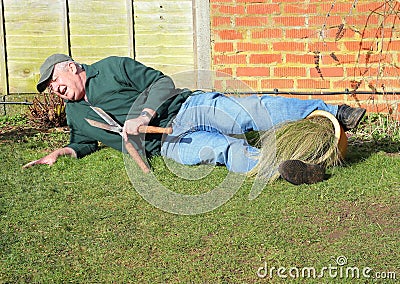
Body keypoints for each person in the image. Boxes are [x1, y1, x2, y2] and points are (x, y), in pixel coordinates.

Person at [24, 54, 366, 185]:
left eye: (54, 80)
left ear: (71, 67)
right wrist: (62, 153)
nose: (54, 88)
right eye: (49, 88)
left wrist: (144, 114)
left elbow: (162, 83)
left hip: (186, 107)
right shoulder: (74, 113)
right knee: (220, 151)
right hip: (168, 145)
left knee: (248, 113)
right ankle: (289, 168)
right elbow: (82, 142)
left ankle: (337, 112)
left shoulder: (113, 68)